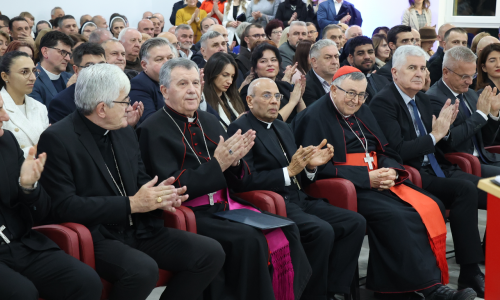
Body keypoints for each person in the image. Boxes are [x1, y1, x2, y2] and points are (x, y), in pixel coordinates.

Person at [38, 63, 225, 300]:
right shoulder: (57, 139)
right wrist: (131, 204)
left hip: (139, 228)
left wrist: (160, 196)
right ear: (102, 109)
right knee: (142, 270)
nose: (129, 106)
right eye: (124, 101)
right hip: (98, 234)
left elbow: (139, 179)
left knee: (210, 253)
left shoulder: (123, 130)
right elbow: (64, 206)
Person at [293, 65, 478, 300]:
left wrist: (391, 169)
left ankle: (417, 284)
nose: (356, 100)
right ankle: (421, 289)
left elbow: (385, 148)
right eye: (350, 93)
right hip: (346, 187)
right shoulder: (313, 116)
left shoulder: (363, 110)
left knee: (431, 205)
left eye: (361, 94)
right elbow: (314, 167)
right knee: (396, 216)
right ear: (333, 89)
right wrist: (365, 178)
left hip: (378, 179)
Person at [136, 57, 311, 300]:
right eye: (183, 84)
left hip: (224, 206)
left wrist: (236, 162)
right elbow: (172, 186)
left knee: (286, 229)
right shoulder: (151, 129)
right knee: (249, 240)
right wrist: (219, 164)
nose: (192, 90)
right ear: (164, 90)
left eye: (196, 83)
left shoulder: (208, 120)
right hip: (190, 212)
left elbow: (237, 177)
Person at [229, 77, 365, 299]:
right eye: (266, 96)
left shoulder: (282, 126)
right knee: (321, 231)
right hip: (274, 203)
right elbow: (243, 181)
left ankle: (336, 291)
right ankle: (313, 295)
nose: (274, 101)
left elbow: (298, 170)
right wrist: (288, 173)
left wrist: (310, 166)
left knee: (354, 222)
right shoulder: (241, 128)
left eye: (277, 96)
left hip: (298, 197)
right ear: (250, 101)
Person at [369, 46, 487, 298]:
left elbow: (443, 141)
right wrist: (436, 134)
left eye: (422, 68)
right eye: (412, 68)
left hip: (438, 166)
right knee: (464, 190)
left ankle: (472, 268)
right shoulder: (384, 102)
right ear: (394, 72)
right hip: (414, 173)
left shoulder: (422, 98)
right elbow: (398, 150)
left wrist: (448, 128)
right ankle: (466, 271)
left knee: (489, 189)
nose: (419, 73)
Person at [0, 85, 103, 300]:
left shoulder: (7, 143)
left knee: (85, 281)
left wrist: (29, 187)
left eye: (3, 108)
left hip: (20, 244)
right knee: (23, 293)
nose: (5, 116)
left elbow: (42, 212)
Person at [427, 46, 500, 177]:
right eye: (464, 76)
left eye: (473, 75)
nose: (470, 81)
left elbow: (486, 140)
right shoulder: (434, 98)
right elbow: (451, 141)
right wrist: (481, 115)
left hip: (485, 158)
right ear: (445, 72)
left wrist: (492, 115)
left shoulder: (470, 94)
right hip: (461, 165)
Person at [241, 43, 306, 122]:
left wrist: (299, 98)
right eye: (263, 61)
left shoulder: (285, 86)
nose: (270, 64)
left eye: (273, 60)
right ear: (255, 68)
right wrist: (292, 102)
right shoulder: (249, 90)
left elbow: (304, 117)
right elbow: (271, 123)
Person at [0, 51, 48, 157]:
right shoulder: (1, 108)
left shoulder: (40, 108)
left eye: (34, 71)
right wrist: (38, 147)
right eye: (24, 72)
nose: (33, 78)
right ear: (5, 76)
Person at [130, 38, 176, 124]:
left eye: (170, 58)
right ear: (144, 65)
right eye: (159, 59)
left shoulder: (177, 80)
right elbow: (152, 122)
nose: (167, 63)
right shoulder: (139, 85)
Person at [29, 31, 74, 107]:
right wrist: (68, 92)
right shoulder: (31, 80)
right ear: (45, 52)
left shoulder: (70, 77)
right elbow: (41, 115)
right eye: (63, 52)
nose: (68, 58)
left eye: (69, 54)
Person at [202, 52, 245, 128]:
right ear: (212, 73)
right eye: (225, 75)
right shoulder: (203, 102)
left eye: (232, 76)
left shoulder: (232, 96)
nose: (230, 81)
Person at [347, 36, 390, 103]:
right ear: (351, 58)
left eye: (370, 52)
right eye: (361, 53)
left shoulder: (383, 80)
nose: (367, 57)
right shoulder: (347, 83)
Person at [303, 39, 338, 106]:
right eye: (328, 57)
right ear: (314, 61)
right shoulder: (306, 86)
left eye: (336, 57)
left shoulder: (343, 79)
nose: (335, 62)